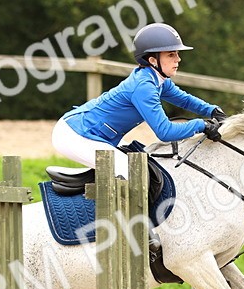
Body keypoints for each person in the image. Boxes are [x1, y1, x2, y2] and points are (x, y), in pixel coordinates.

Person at [52, 23, 225, 177]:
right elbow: (165, 132)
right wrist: (201, 125)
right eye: (171, 54)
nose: (178, 59)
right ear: (152, 60)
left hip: (96, 133)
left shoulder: (157, 80)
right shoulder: (144, 86)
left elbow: (185, 101)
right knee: (133, 174)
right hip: (74, 135)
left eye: (177, 54)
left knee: (143, 161)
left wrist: (213, 111)